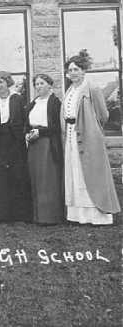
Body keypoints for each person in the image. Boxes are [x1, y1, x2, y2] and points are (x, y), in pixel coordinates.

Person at [62, 53, 120, 225]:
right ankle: (78, 215)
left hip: (89, 136)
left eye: (76, 69)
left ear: (83, 71)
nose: (73, 73)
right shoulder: (70, 90)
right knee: (76, 171)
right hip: (71, 135)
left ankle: (97, 215)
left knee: (91, 172)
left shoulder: (91, 89)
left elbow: (103, 115)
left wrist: (93, 130)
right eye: (70, 70)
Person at [0, 71, 31, 223]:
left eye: (2, 82)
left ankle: (20, 214)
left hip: (15, 141)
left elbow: (25, 121)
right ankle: (2, 214)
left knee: (17, 175)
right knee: (0, 176)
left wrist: (24, 138)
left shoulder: (17, 99)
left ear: (8, 83)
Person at [24, 74, 64, 224]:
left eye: (42, 83)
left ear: (49, 85)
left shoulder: (54, 102)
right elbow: (26, 123)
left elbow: (56, 126)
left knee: (48, 179)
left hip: (47, 143)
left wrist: (41, 132)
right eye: (36, 84)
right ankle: (38, 216)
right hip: (34, 144)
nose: (38, 86)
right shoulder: (33, 103)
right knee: (35, 177)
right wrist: (27, 134)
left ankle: (50, 216)